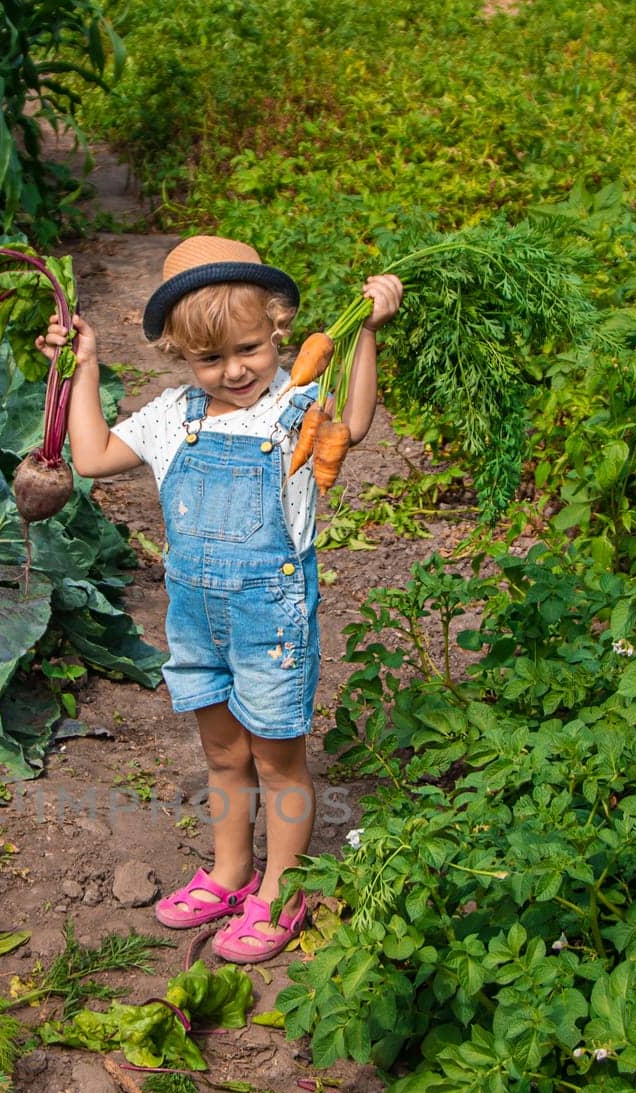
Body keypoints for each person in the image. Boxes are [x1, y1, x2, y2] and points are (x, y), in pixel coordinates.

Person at [37, 235, 402, 962]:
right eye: (210, 360)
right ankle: (233, 870)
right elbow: (91, 458)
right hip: (198, 621)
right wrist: (81, 367)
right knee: (223, 754)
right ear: (179, 355)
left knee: (277, 761)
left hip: (271, 621)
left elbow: (354, 426)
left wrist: (366, 334)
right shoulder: (175, 415)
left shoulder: (299, 404)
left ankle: (283, 888)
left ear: (278, 330)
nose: (233, 371)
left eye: (247, 350)